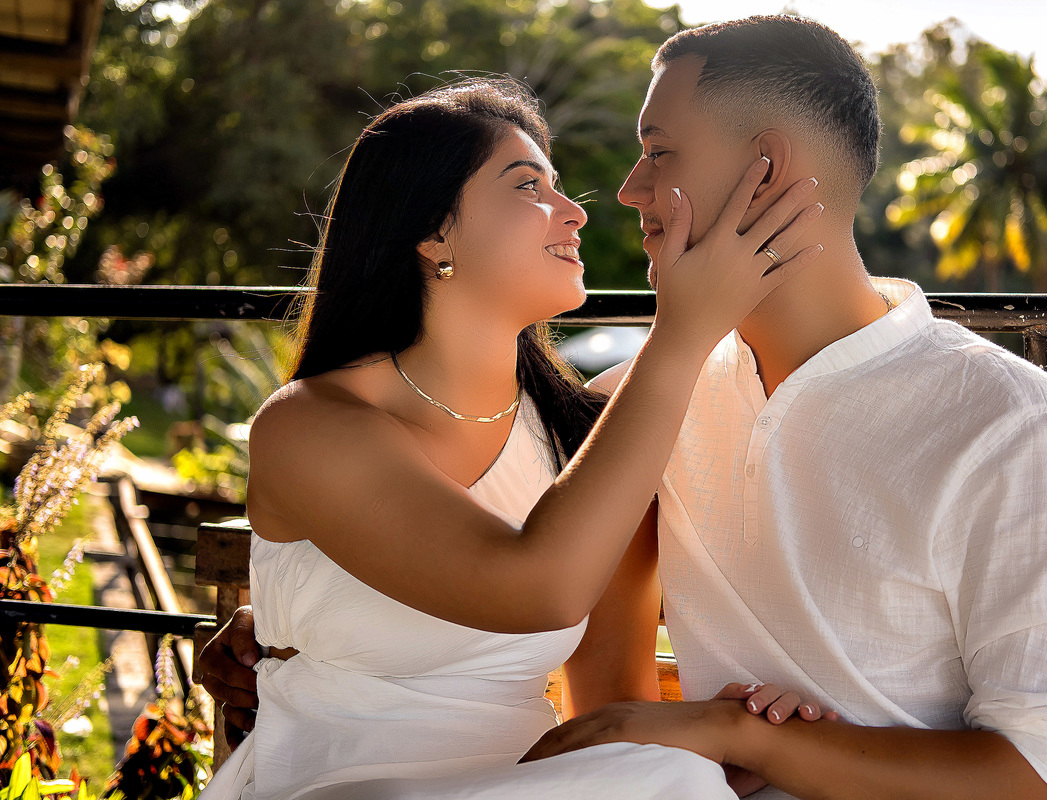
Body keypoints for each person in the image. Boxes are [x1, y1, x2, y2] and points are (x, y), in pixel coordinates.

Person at [204, 16, 1047, 800]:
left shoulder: (1003, 422)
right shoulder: (635, 410)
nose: (621, 196)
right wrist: (296, 638)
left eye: (657, 154)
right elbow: (594, 684)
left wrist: (747, 739)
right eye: (536, 188)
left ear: (769, 168)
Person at [196, 75, 823, 800]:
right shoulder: (307, 424)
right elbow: (538, 591)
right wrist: (681, 333)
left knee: (674, 775)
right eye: (529, 187)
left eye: (557, 186)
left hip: (526, 780)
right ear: (433, 234)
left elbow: (609, 696)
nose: (574, 214)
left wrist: (739, 732)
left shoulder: (582, 434)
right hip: (337, 781)